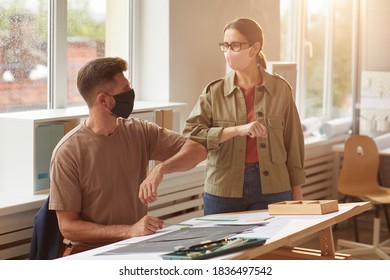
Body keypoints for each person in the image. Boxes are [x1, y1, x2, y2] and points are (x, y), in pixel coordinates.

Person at [49, 57, 207, 256]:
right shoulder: (68, 152)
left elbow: (199, 150)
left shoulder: (140, 131)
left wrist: (161, 168)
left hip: (135, 246)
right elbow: (68, 227)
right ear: (103, 100)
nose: (130, 94)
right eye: (125, 89)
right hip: (89, 252)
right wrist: (129, 231)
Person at [183, 18, 306, 215]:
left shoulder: (280, 89)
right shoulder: (214, 92)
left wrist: (297, 193)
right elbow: (192, 133)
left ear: (254, 48)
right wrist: (236, 130)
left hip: (274, 187)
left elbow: (293, 143)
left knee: (274, 246)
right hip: (223, 188)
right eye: (225, 45)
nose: (229, 52)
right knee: (221, 246)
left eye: (235, 45)